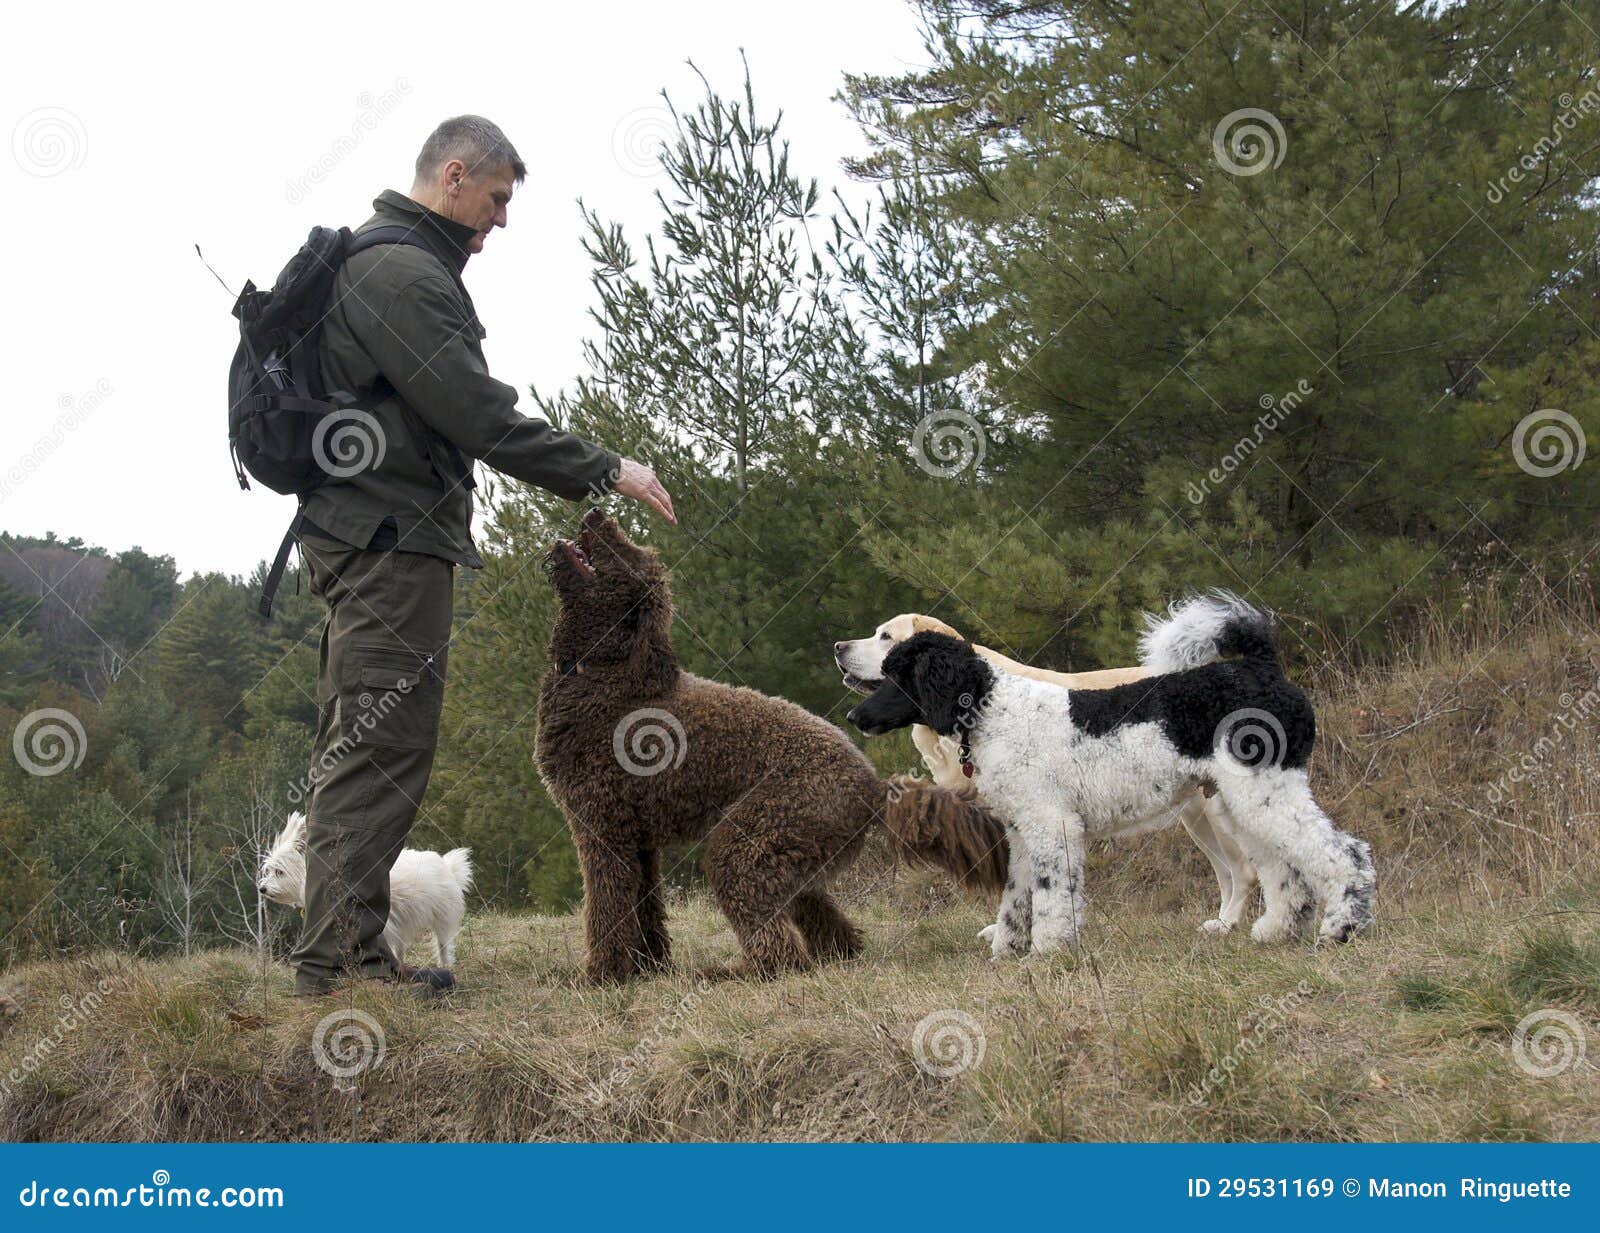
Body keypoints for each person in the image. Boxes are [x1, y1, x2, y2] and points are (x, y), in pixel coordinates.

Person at [289, 115, 674, 998]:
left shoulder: (392, 264)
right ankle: (342, 967)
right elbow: (482, 416)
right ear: (455, 175)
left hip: (374, 536)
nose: (501, 219)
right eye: (497, 199)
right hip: (388, 544)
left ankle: (341, 955)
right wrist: (608, 468)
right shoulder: (399, 274)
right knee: (380, 744)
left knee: (362, 739)